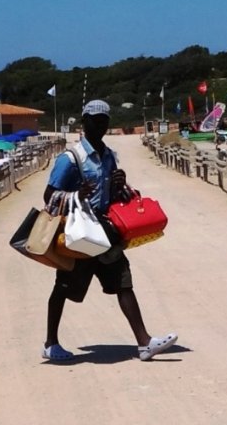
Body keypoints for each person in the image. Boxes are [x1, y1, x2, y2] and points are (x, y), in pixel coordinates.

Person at [41, 100, 179, 365]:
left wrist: (119, 185)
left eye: (104, 121)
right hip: (79, 237)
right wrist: (75, 195)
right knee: (64, 287)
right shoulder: (70, 159)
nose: (100, 126)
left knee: (123, 282)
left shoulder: (109, 156)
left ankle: (144, 342)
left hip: (105, 232)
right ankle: (51, 343)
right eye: (95, 121)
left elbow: (113, 197)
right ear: (84, 122)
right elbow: (49, 196)